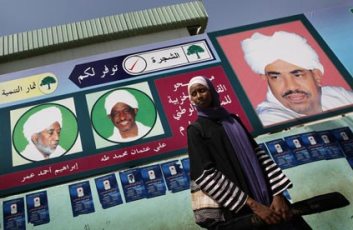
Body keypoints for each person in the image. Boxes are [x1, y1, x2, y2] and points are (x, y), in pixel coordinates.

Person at [186, 76, 311, 230]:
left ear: (211, 91)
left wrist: (278, 195)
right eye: (194, 93)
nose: (199, 96)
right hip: (241, 211)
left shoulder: (233, 121)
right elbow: (205, 175)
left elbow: (259, 156)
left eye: (202, 90)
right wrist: (254, 205)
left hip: (273, 204)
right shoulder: (196, 131)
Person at [241, 31, 353, 126]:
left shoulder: (337, 95)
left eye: (297, 75)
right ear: (267, 79)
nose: (291, 86)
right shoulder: (270, 117)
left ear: (316, 76)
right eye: (276, 77)